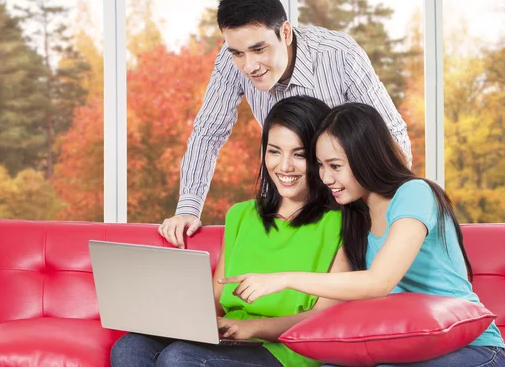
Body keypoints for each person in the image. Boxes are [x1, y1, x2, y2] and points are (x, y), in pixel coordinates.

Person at [220, 103, 505, 367]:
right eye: (320, 166)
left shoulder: (415, 194)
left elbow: (379, 282)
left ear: (365, 158)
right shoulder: (355, 216)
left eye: (335, 166)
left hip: (473, 349)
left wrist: (283, 279)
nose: (325, 178)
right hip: (405, 347)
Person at [158, 0, 412, 248]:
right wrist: (188, 207)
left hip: (347, 202)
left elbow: (392, 136)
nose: (249, 66)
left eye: (259, 49)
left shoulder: (339, 55)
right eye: (237, 53)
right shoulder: (229, 61)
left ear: (286, 33)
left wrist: (383, 213)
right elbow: (207, 134)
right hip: (285, 201)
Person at [110, 96, 350, 367]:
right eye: (274, 151)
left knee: (179, 358)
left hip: (288, 349)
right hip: (232, 336)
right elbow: (217, 301)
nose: (284, 167)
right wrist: (170, 314)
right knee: (130, 347)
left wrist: (252, 328)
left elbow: (323, 318)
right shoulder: (241, 215)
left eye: (299, 154)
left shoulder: (341, 222)